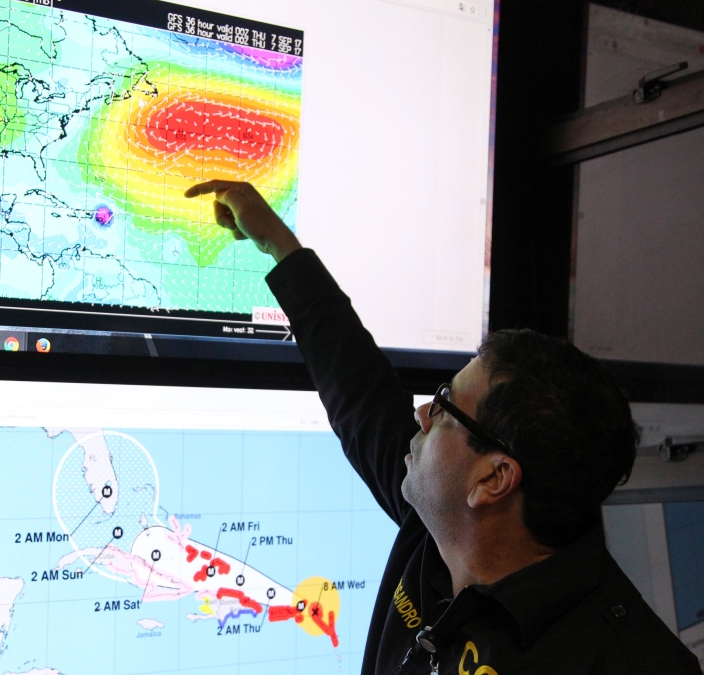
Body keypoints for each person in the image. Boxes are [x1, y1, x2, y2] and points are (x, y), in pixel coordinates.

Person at [184, 180, 702, 675]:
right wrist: (279, 243)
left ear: (493, 479)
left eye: (445, 406)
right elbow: (359, 391)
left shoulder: (628, 665)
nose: (421, 415)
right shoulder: (439, 528)